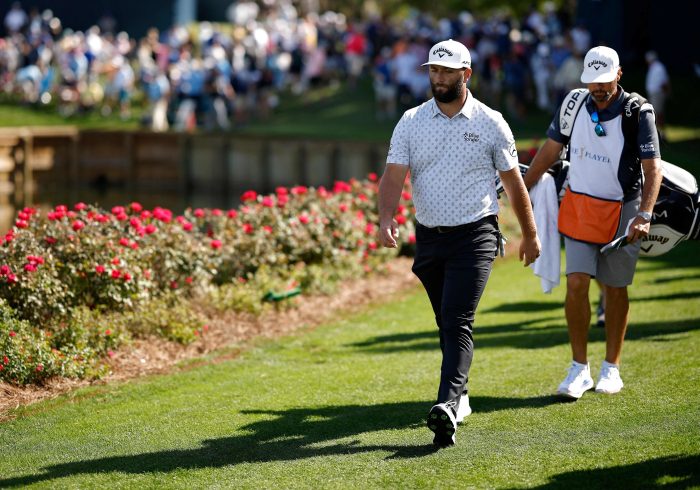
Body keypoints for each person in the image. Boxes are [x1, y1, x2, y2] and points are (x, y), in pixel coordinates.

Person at [378, 39, 541, 448]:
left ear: (466, 74)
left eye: (447, 72)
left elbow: (514, 183)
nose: (439, 78)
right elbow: (394, 175)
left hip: (476, 234)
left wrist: (531, 234)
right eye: (434, 70)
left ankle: (447, 406)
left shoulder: (491, 122)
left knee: (455, 319)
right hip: (429, 237)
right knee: (446, 321)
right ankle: (462, 392)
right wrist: (385, 218)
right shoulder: (411, 121)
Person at [523, 46, 663, 399]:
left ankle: (611, 368)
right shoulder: (574, 103)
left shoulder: (638, 111)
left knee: (615, 289)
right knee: (576, 285)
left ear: (618, 75)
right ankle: (579, 369)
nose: (597, 89)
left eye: (604, 81)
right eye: (592, 83)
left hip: (623, 208)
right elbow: (551, 149)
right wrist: (521, 190)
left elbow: (652, 168)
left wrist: (644, 215)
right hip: (580, 206)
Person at [645, 51, 670, 141]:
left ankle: (661, 135)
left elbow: (664, 82)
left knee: (658, 114)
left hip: (657, 94)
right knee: (655, 114)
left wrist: (666, 93)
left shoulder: (659, 67)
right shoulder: (653, 67)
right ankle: (658, 134)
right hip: (654, 94)